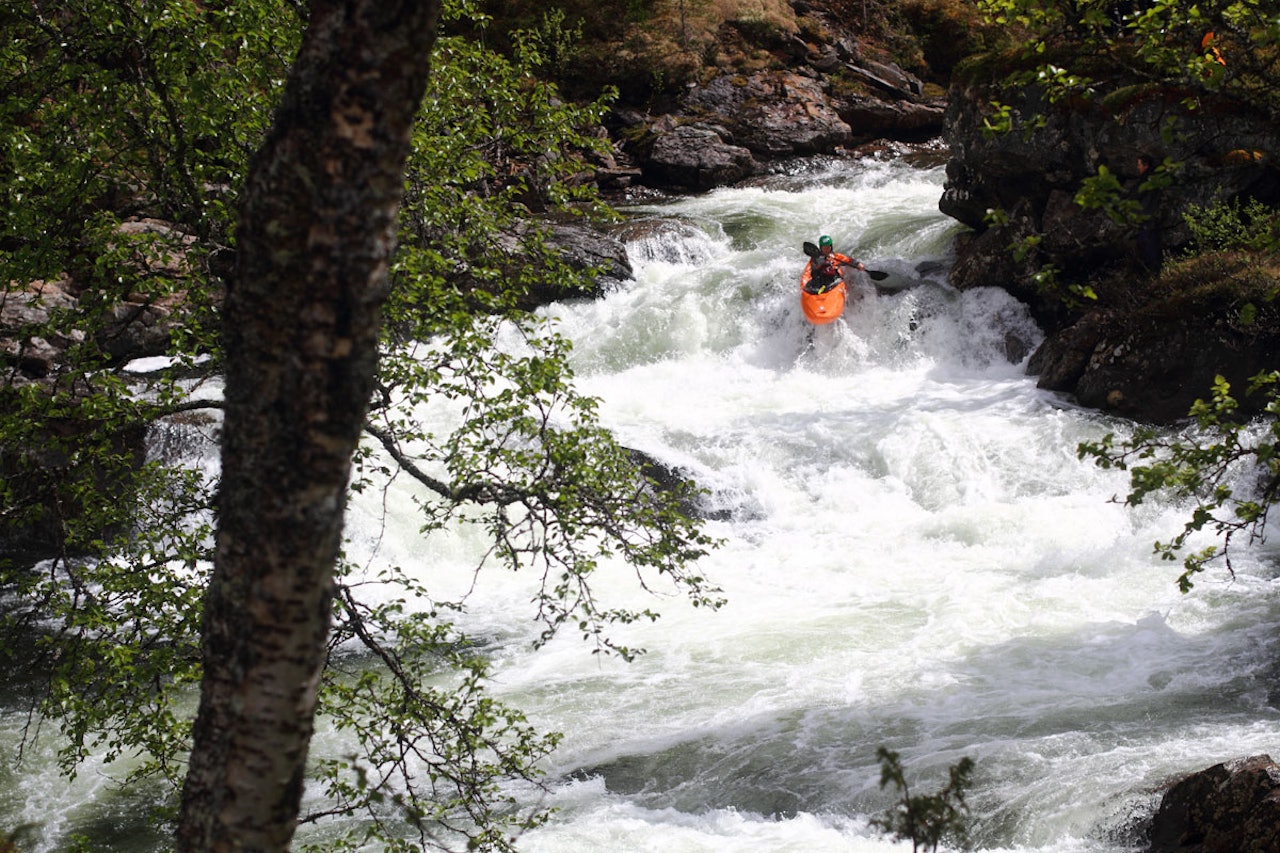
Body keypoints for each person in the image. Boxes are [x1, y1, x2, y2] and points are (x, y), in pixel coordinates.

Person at [1133, 155, 1164, 273]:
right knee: (1153, 245)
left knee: (1148, 246)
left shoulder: (1145, 181)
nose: (1137, 167)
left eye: (1139, 164)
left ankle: (1153, 272)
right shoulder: (1155, 180)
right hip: (1153, 217)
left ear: (1146, 165)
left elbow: (1136, 197)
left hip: (1146, 217)